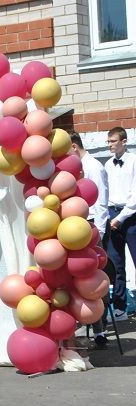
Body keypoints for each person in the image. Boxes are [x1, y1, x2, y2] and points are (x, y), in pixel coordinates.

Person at [69, 131, 110, 348]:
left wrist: (99, 233)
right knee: (76, 280)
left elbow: (101, 202)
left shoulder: (94, 167)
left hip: (92, 229)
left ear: (74, 147)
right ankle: (79, 323)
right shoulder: (73, 170)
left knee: (94, 282)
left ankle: (100, 330)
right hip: (75, 230)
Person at [103, 127, 136, 322]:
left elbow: (134, 195)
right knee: (116, 265)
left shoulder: (133, 161)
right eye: (107, 142)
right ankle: (120, 308)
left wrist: (120, 218)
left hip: (131, 216)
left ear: (124, 141)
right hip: (112, 214)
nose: (109, 145)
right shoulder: (107, 164)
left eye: (113, 141)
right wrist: (109, 217)